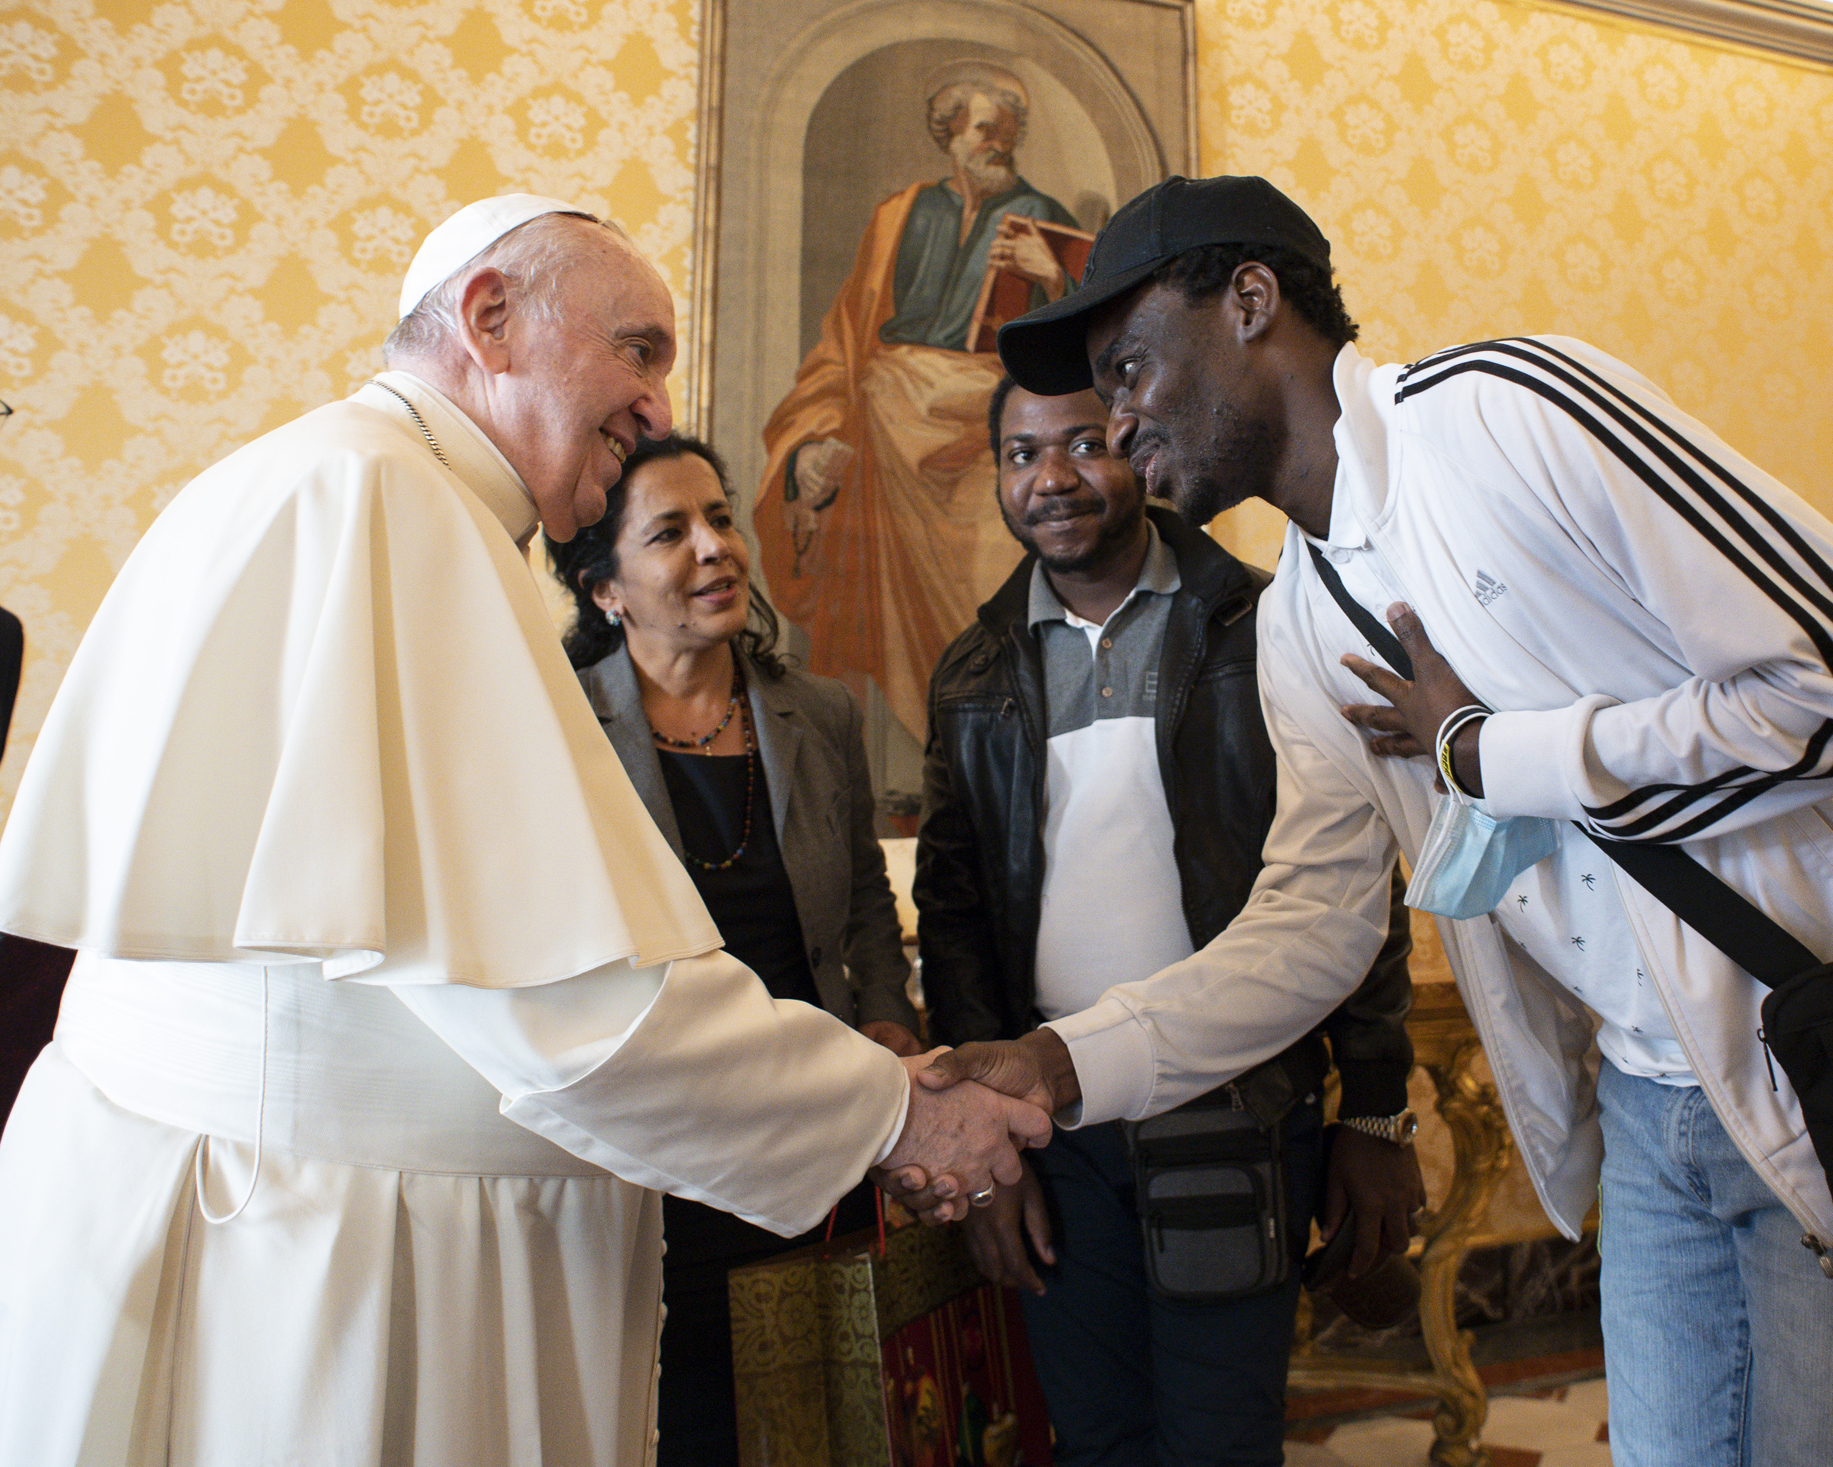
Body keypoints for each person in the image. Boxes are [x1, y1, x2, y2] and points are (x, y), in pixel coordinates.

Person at [922, 175, 1833, 1467]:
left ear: (1250, 302)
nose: (1116, 417)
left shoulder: (1504, 414)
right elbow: (1308, 925)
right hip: (1654, 1108)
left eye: (1128, 365)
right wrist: (1058, 1062)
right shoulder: (1300, 619)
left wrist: (1487, 748)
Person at [0, 195, 1046, 1466]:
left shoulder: (343, 477)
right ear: (489, 318)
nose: (660, 407)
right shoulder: (392, 508)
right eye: (638, 350)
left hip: (264, 1205)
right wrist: (892, 1115)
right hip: (320, 1251)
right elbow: (574, 1014)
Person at [916, 378, 1421, 1466]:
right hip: (1055, 1131)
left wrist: (1374, 1115)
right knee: (1097, 1438)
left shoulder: (1261, 625)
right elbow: (951, 913)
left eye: (1083, 443)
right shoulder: (973, 667)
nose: (1049, 478)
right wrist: (981, 1144)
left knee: (1219, 1441)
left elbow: (1349, 891)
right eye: (1019, 453)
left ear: (1138, 451)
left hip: (1231, 1104)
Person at [548, 432, 926, 1464]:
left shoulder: (820, 713)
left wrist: (887, 1019)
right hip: (657, 1151)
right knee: (685, 1423)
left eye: (719, 518)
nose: (715, 547)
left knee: (825, 1420)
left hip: (815, 1126)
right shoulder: (560, 732)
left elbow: (858, 904)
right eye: (670, 532)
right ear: (606, 587)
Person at [758, 59, 1080, 767]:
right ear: (952, 135)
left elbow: (1086, 350)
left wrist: (1051, 276)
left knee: (986, 587)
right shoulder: (898, 214)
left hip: (991, 421)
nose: (1001, 143)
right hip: (887, 420)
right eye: (986, 129)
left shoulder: (1043, 219)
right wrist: (814, 438)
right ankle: (899, 776)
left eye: (1011, 131)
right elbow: (846, 340)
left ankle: (995, 751)